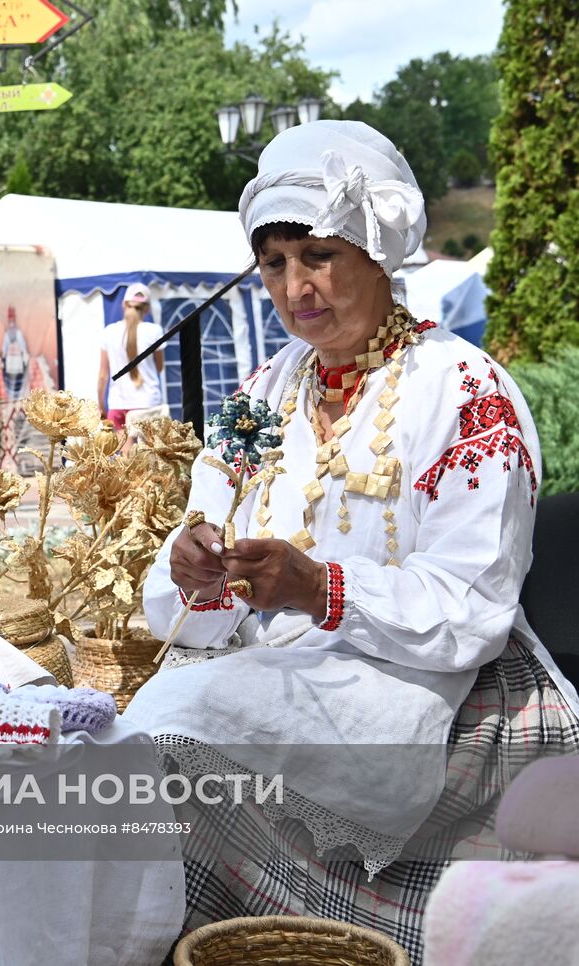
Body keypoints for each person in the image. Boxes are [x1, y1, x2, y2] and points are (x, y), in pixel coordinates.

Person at [122, 120, 579, 959]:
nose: (297, 287)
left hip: (430, 681)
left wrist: (319, 588)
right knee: (141, 735)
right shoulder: (265, 392)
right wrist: (196, 566)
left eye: (318, 256)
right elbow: (206, 533)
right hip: (274, 667)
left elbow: (472, 605)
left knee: (174, 725)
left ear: (377, 251)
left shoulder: (466, 390)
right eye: (274, 264)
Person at [96, 282, 164, 428]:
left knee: (126, 451)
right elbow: (159, 367)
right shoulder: (154, 331)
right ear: (147, 309)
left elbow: (103, 375)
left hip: (118, 403)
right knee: (148, 450)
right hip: (147, 404)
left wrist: (101, 405)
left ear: (124, 305)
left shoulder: (109, 332)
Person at [0, 306, 31, 399]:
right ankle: (11, 395)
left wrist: (24, 354)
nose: (11, 323)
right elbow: (4, 347)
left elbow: (22, 345)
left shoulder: (18, 333)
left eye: (13, 320)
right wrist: (3, 358)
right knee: (11, 376)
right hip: (10, 360)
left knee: (18, 376)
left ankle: (19, 395)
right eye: (10, 320)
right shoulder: (7, 334)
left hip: (17, 359)